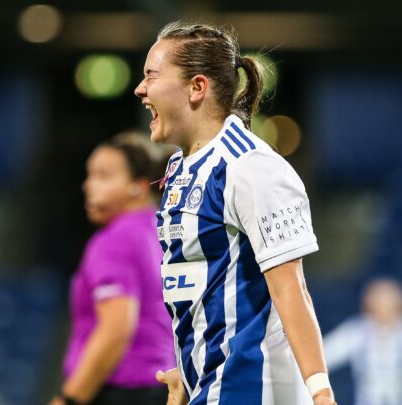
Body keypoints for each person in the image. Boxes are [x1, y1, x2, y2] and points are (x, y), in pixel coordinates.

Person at [133, 22, 336, 404]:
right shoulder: (180, 169)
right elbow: (199, 288)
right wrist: (185, 371)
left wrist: (321, 393)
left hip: (250, 391)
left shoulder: (250, 167)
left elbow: (291, 289)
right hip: (206, 389)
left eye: (151, 76)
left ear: (197, 87)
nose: (140, 89)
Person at [50, 132, 176, 405]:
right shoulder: (161, 233)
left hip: (119, 392)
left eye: (104, 176)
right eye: (90, 175)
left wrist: (68, 399)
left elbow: (116, 329)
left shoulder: (115, 240)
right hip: (163, 388)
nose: (88, 185)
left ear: (139, 186)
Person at [323, 278, 402, 405]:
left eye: (389, 301)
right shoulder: (356, 332)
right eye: (379, 301)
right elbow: (323, 356)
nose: (384, 307)